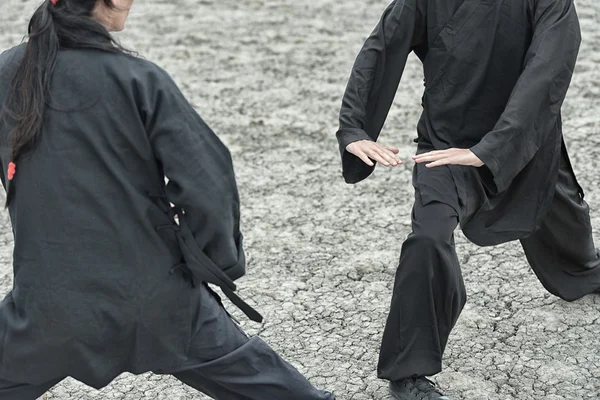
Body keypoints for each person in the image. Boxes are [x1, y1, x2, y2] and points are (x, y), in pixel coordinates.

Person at [0, 1, 335, 399]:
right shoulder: (138, 78)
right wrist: (213, 263)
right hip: (159, 301)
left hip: (46, 309)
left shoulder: (6, 73)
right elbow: (207, 182)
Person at [335, 0, 600, 399]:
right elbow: (382, 46)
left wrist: (495, 148)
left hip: (527, 143)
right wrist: (355, 128)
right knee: (428, 238)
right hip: (446, 146)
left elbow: (547, 74)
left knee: (570, 241)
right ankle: (408, 372)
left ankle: (586, 273)